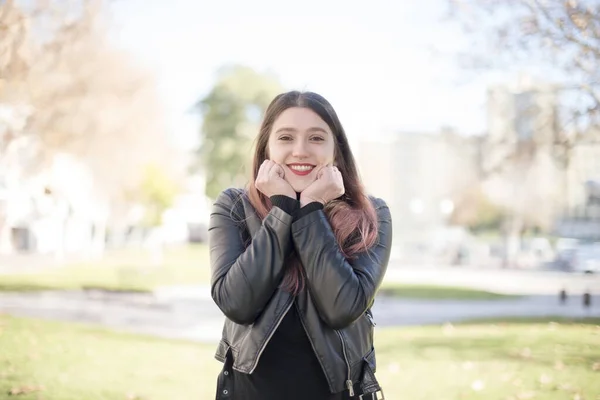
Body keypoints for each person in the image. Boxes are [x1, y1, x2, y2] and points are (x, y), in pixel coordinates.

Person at [209, 90, 392, 400]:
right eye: (285, 138)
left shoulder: (372, 214)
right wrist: (282, 209)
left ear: (336, 150)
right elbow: (236, 303)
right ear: (267, 148)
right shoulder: (234, 206)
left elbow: (343, 308)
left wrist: (311, 208)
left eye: (317, 138)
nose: (300, 150)